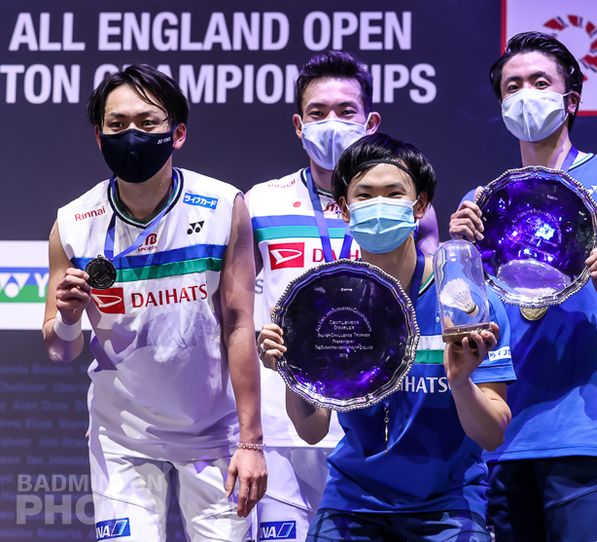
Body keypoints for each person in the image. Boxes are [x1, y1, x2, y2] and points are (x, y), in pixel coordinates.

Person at [450, 31, 597, 541]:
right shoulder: (482, 202)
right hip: (502, 431)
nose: (525, 94)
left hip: (587, 431)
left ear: (571, 100)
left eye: (540, 82)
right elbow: (463, 316)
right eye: (512, 86)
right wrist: (458, 257)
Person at [42, 64, 266, 542]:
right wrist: (66, 319)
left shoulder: (224, 207)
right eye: (117, 125)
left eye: (148, 123)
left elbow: (239, 324)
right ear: (100, 138)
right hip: (121, 437)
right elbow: (61, 349)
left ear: (177, 133)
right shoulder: (73, 223)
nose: (132, 135)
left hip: (214, 433)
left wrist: (252, 441)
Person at [259, 132, 516, 541]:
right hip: (352, 504)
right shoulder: (323, 303)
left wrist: (461, 382)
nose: (379, 204)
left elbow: (492, 432)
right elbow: (312, 429)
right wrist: (294, 373)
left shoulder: (468, 302)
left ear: (420, 206)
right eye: (364, 195)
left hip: (447, 508)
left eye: (394, 193)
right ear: (344, 208)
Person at [245, 50, 439, 541]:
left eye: (346, 111)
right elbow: (233, 318)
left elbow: (428, 308)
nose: (331, 123)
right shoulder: (258, 203)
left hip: (376, 423)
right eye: (317, 113)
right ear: (297, 124)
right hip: (285, 426)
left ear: (370, 120)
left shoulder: (405, 207)